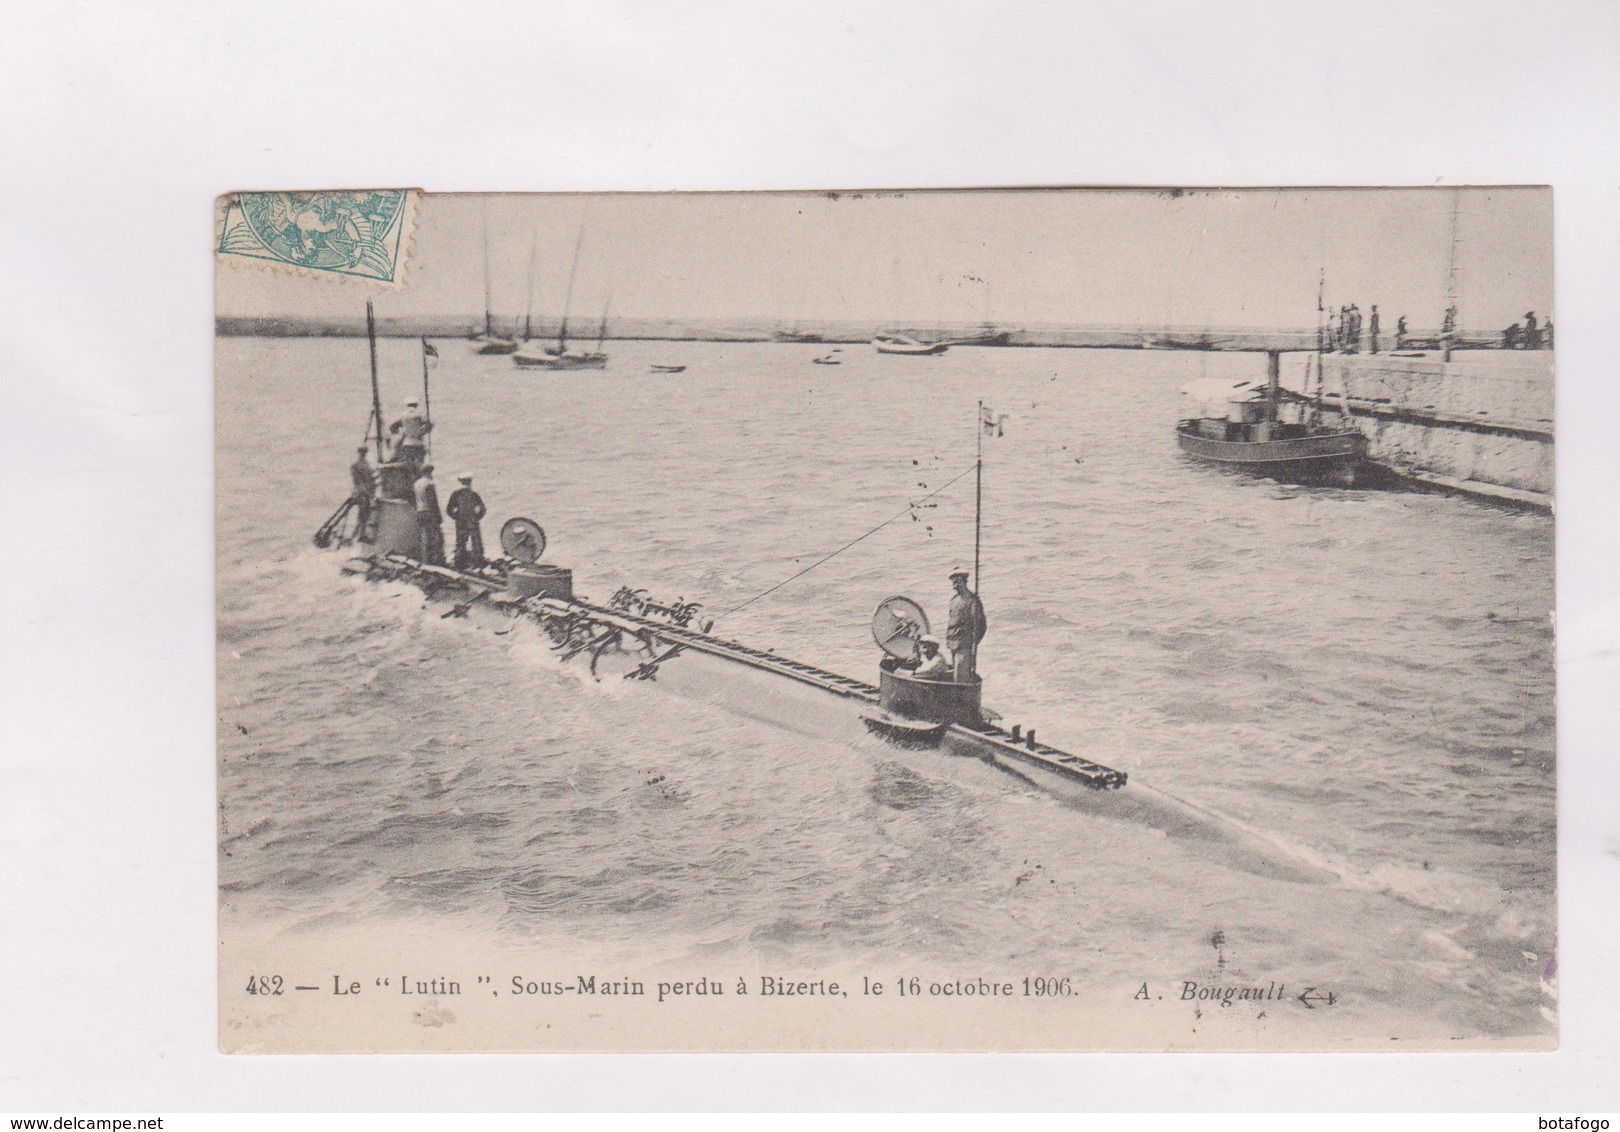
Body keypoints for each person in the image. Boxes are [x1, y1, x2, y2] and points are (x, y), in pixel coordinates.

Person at [946, 568, 987, 683]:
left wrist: (974, 641)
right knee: (955, 675)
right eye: (953, 582)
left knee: (962, 677)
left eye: (957, 581)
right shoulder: (953, 600)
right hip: (952, 643)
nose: (954, 585)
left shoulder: (972, 600)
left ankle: (960, 700)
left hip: (964, 644)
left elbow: (981, 624)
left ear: (964, 581)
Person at [446, 472, 487, 570]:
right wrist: (477, 517)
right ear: (470, 482)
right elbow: (483, 509)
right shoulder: (474, 494)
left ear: (460, 482)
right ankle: (478, 564)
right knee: (476, 543)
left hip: (461, 522)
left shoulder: (456, 494)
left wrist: (456, 517)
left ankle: (459, 564)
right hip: (472, 522)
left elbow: (449, 509)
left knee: (460, 543)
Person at [413, 464, 445, 566]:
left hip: (419, 511)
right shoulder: (429, 483)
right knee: (434, 536)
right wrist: (438, 515)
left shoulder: (416, 484)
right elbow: (433, 501)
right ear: (429, 472)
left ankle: (425, 560)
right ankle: (435, 561)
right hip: (428, 511)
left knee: (423, 536)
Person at [389, 398, 432, 470]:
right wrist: (423, 432)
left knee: (408, 466)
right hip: (418, 443)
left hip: (407, 443)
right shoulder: (419, 414)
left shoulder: (403, 415)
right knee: (420, 465)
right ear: (416, 405)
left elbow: (392, 426)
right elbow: (430, 424)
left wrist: (400, 433)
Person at [348, 445, 377, 540]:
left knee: (365, 513)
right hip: (361, 492)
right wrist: (365, 490)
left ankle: (360, 534)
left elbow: (371, 479)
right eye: (362, 452)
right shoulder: (356, 465)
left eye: (364, 452)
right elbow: (357, 480)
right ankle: (360, 535)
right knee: (362, 513)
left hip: (367, 492)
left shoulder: (366, 464)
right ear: (359, 453)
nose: (363, 454)